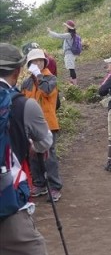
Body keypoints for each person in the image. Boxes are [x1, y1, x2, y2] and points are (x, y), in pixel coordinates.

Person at [0, 43, 99, 255]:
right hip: (7, 210)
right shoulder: (20, 104)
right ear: (17, 71)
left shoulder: (36, 87)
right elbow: (43, 145)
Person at [20, 48, 63, 202]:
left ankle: (55, 186)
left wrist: (39, 75)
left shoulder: (50, 79)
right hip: (30, 126)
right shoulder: (27, 83)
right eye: (33, 61)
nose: (37, 63)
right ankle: (39, 184)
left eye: (39, 61)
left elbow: (46, 91)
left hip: (48, 124)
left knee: (48, 157)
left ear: (44, 62)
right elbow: (21, 101)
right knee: (33, 155)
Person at [47, 21, 79, 85]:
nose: (65, 27)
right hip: (71, 54)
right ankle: (72, 83)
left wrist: (50, 32)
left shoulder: (69, 35)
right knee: (71, 69)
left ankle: (74, 84)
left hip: (69, 54)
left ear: (68, 27)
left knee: (71, 69)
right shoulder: (72, 35)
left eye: (65, 26)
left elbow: (58, 36)